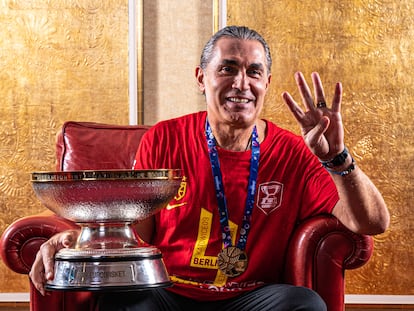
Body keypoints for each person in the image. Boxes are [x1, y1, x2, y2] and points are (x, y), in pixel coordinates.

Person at [30, 26, 389, 310]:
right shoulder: (164, 139)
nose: (241, 83)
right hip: (169, 292)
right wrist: (75, 239)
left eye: (254, 72)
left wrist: (337, 157)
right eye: (227, 69)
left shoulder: (294, 152)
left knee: (304, 303)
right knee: (121, 301)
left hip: (251, 297)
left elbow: (373, 223)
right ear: (202, 78)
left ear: (266, 82)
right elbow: (134, 235)